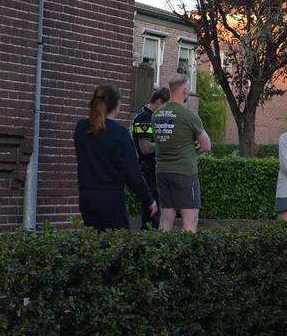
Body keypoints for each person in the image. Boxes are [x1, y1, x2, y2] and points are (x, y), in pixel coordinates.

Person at [73, 85, 156, 230]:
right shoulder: (120, 134)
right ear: (117, 105)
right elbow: (132, 174)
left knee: (93, 243)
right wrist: (148, 200)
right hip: (111, 199)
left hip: (86, 196)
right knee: (117, 244)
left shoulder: (81, 128)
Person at [151, 75, 211, 232]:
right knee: (190, 220)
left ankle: (163, 253)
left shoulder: (156, 115)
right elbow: (206, 146)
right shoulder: (189, 115)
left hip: (162, 171)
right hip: (184, 172)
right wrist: (194, 149)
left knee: (166, 219)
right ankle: (186, 255)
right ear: (185, 90)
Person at [132, 86, 170, 229]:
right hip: (148, 170)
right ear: (159, 101)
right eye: (166, 106)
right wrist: (166, 142)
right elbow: (146, 148)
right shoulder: (144, 119)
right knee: (151, 213)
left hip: (156, 169)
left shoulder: (155, 118)